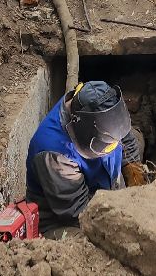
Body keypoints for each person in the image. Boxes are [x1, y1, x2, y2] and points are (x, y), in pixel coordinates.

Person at [25, 81, 145, 224]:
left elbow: (125, 137)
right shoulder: (54, 155)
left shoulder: (100, 108)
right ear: (85, 131)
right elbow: (81, 213)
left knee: (137, 139)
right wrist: (125, 219)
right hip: (67, 219)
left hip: (105, 186)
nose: (113, 145)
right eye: (107, 143)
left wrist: (136, 179)